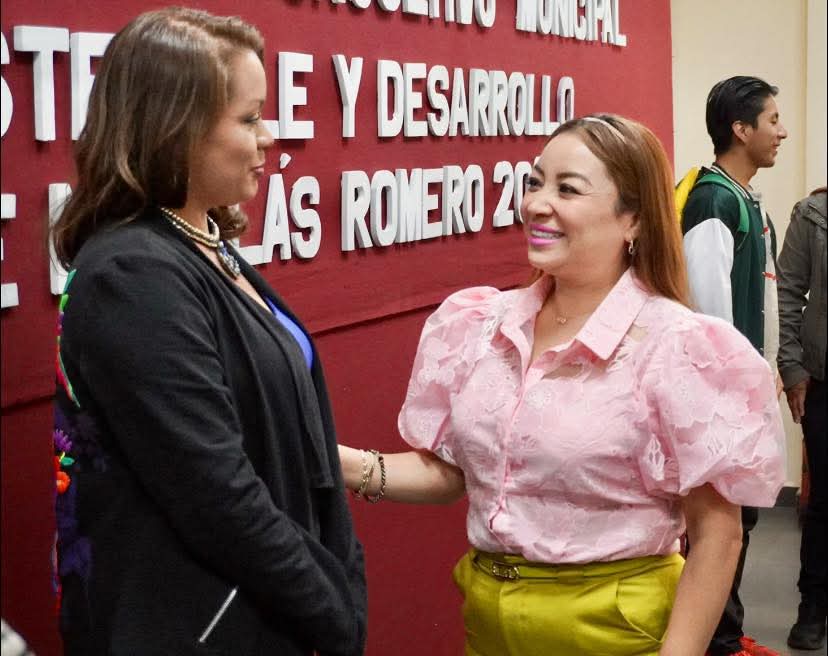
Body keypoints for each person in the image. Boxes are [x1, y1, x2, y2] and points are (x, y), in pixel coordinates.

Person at [339, 113, 786, 655]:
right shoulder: (480, 325)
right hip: (488, 623)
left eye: (567, 189)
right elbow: (454, 473)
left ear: (633, 220)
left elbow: (717, 535)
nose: (536, 204)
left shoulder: (678, 348)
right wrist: (335, 463)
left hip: (615, 632)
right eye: (535, 183)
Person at [50, 8, 366, 655]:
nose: (268, 137)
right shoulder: (131, 273)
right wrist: (332, 609)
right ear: (177, 130)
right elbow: (215, 494)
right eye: (248, 119)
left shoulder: (204, 244)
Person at [680, 75, 787, 656]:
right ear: (740, 130)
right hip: (717, 399)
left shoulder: (746, 200)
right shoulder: (713, 200)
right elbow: (707, 314)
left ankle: (727, 635)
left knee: (737, 521)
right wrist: (732, 389)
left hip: (743, 393)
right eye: (772, 120)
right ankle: (716, 643)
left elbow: (762, 297)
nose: (781, 131)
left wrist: (768, 370)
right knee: (718, 525)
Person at [777, 187, 827, 651]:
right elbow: (788, 291)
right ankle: (813, 605)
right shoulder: (813, 214)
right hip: (823, 377)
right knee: (825, 499)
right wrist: (791, 367)